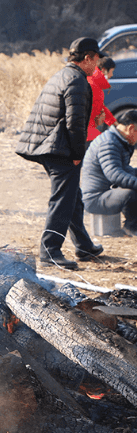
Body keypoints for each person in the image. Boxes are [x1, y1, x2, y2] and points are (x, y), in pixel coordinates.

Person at [15, 37, 105, 269]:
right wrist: (77, 153)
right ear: (88, 58)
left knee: (72, 198)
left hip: (51, 145)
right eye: (96, 59)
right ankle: (50, 251)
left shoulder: (63, 74)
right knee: (63, 200)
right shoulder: (77, 81)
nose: (97, 65)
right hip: (60, 149)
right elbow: (75, 123)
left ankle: (85, 246)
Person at [82, 108, 137, 238]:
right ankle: (132, 227)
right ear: (130, 129)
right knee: (131, 192)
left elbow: (124, 170)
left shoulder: (119, 140)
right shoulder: (109, 143)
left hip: (108, 192)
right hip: (95, 198)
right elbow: (115, 175)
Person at [87, 57, 117, 142]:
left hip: (86, 130)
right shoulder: (94, 85)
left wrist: (114, 123)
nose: (112, 75)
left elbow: (100, 107)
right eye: (111, 71)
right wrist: (115, 124)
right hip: (87, 132)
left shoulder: (93, 81)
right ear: (104, 70)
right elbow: (100, 108)